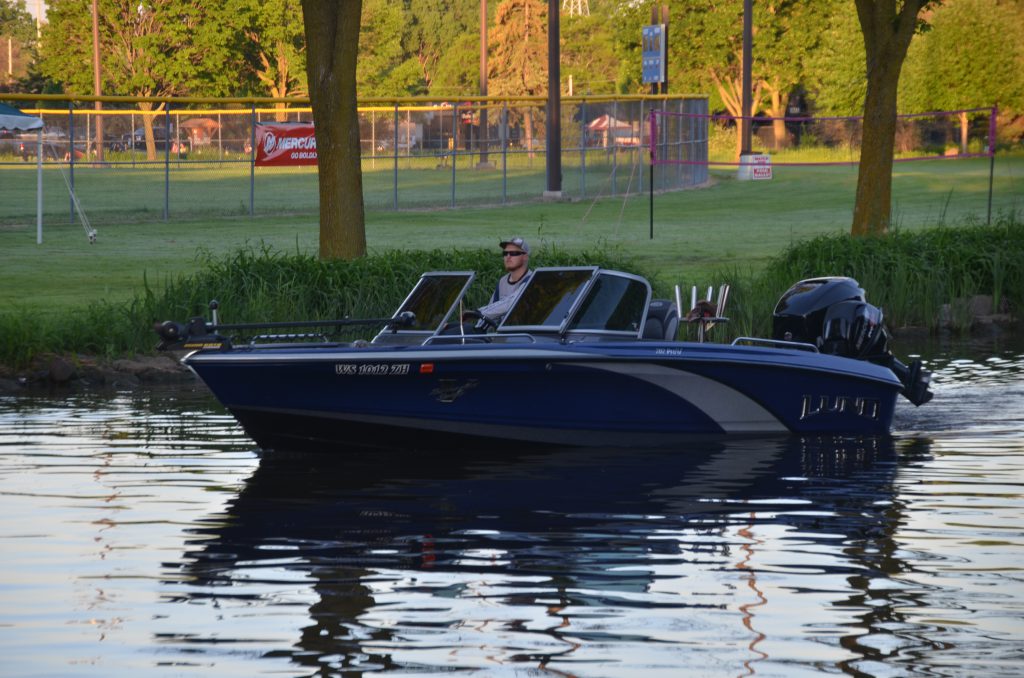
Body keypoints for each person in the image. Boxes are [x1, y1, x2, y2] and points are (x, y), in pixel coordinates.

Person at [476, 237, 532, 324]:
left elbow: (511, 303)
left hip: (524, 331)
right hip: (504, 332)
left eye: (513, 253)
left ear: (525, 257)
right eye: (505, 253)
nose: (508, 257)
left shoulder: (532, 280)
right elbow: (491, 312)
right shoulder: (502, 281)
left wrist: (478, 313)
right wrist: (477, 328)